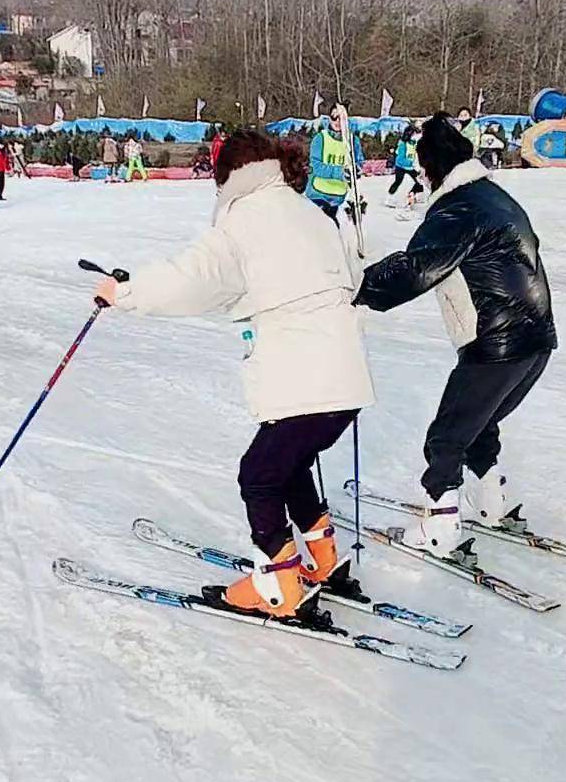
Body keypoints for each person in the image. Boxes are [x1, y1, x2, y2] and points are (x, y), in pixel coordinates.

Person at [91, 128, 374, 618]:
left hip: (302, 380)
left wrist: (126, 292)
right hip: (346, 378)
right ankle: (323, 560)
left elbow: (192, 279)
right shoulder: (314, 215)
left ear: (229, 176)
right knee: (290, 468)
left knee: (259, 476)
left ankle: (281, 586)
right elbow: (350, 278)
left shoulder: (245, 221)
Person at [355, 112, 557, 554]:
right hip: (535, 338)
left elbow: (417, 269)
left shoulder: (457, 207)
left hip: (496, 343)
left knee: (446, 437)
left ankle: (440, 527)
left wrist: (358, 285)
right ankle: (490, 502)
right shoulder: (494, 196)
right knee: (478, 423)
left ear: (431, 167)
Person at [307, 105, 363, 222]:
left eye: (341, 117)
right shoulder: (320, 138)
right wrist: (340, 172)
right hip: (318, 193)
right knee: (324, 227)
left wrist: (356, 170)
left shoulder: (352, 141)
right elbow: (315, 166)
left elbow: (358, 162)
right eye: (334, 117)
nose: (337, 121)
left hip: (337, 195)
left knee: (332, 227)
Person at [387, 124, 423, 206]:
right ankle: (389, 198)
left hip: (411, 167)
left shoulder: (414, 143)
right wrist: (411, 163)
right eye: (413, 134)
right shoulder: (403, 144)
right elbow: (400, 157)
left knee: (420, 181)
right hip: (401, 166)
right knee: (398, 181)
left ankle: (413, 195)